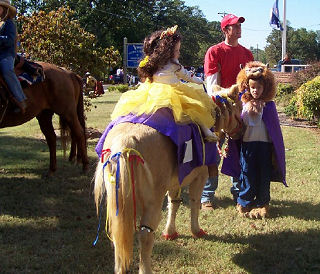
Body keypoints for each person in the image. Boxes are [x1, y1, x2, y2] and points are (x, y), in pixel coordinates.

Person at [111, 25, 217, 141]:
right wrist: (199, 80)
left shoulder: (152, 63)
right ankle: (206, 130)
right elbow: (187, 75)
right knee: (194, 110)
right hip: (172, 92)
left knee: (138, 109)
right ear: (168, 51)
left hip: (151, 92)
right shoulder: (174, 64)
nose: (179, 53)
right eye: (177, 50)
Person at [201, 14, 254, 210]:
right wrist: (226, 99)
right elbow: (212, 86)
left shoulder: (247, 54)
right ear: (225, 30)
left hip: (241, 109)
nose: (239, 28)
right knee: (213, 151)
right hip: (219, 108)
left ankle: (238, 191)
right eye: (234, 26)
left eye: (240, 25)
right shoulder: (215, 52)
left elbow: (250, 84)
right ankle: (206, 195)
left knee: (239, 150)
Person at [233, 61, 286, 219]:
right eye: (253, 87)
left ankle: (262, 202)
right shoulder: (244, 105)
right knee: (247, 173)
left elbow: (273, 128)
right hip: (248, 145)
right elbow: (242, 124)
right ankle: (244, 200)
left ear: (266, 88)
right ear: (247, 87)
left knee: (264, 174)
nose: (256, 90)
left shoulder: (269, 106)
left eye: (259, 87)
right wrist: (247, 110)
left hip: (264, 147)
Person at [0, 0, 27, 113]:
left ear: (5, 9)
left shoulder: (9, 23)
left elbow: (10, 40)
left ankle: (20, 99)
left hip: (6, 55)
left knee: (6, 70)